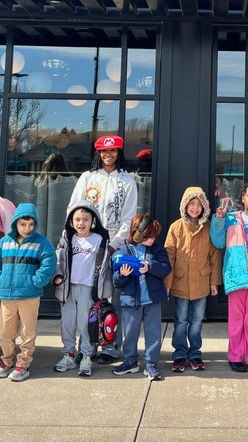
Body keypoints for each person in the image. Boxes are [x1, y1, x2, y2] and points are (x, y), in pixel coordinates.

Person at [68, 134, 138, 363]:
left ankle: (110, 347)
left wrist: (114, 245)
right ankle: (86, 346)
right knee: (88, 299)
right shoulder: (87, 178)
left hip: (114, 247)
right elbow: (74, 209)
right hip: (87, 244)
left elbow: (129, 217)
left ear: (119, 153)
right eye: (104, 151)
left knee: (111, 298)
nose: (109, 155)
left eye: (113, 151)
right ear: (98, 153)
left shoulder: (127, 180)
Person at [0, 202, 57, 382]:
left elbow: (49, 262)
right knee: (5, 331)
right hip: (6, 295)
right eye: (23, 224)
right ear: (15, 223)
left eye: (31, 225)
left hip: (29, 294)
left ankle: (23, 364)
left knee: (28, 332)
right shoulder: (4, 242)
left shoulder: (42, 243)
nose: (27, 228)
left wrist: (37, 281)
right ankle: (7, 360)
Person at [211, 182, 248, 373]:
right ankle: (235, 355)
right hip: (236, 277)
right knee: (236, 319)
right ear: (243, 198)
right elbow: (218, 241)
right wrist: (218, 220)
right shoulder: (231, 219)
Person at [165, 186, 222, 372]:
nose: (195, 208)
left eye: (199, 204)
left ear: (204, 207)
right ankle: (179, 354)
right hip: (180, 283)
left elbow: (214, 256)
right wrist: (167, 283)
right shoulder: (176, 227)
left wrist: (214, 281)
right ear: (185, 206)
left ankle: (195, 353)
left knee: (197, 321)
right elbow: (169, 256)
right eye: (192, 204)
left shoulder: (208, 228)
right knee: (181, 320)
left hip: (202, 283)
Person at [55, 201, 113, 376]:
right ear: (71, 222)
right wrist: (57, 276)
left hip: (89, 289)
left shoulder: (99, 240)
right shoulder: (68, 239)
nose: (81, 223)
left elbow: (104, 268)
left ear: (93, 221)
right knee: (67, 323)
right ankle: (69, 354)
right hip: (68, 288)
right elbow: (58, 260)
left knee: (87, 324)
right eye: (77, 219)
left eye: (86, 219)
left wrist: (104, 292)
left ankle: (87, 355)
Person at [112, 213, 172, 381]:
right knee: (130, 333)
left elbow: (166, 268)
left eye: (154, 236)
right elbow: (116, 281)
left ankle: (151, 364)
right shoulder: (124, 249)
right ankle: (130, 361)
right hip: (131, 300)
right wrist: (123, 275)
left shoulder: (158, 250)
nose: (152, 240)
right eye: (148, 236)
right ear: (137, 233)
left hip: (152, 300)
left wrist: (150, 267)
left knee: (153, 333)